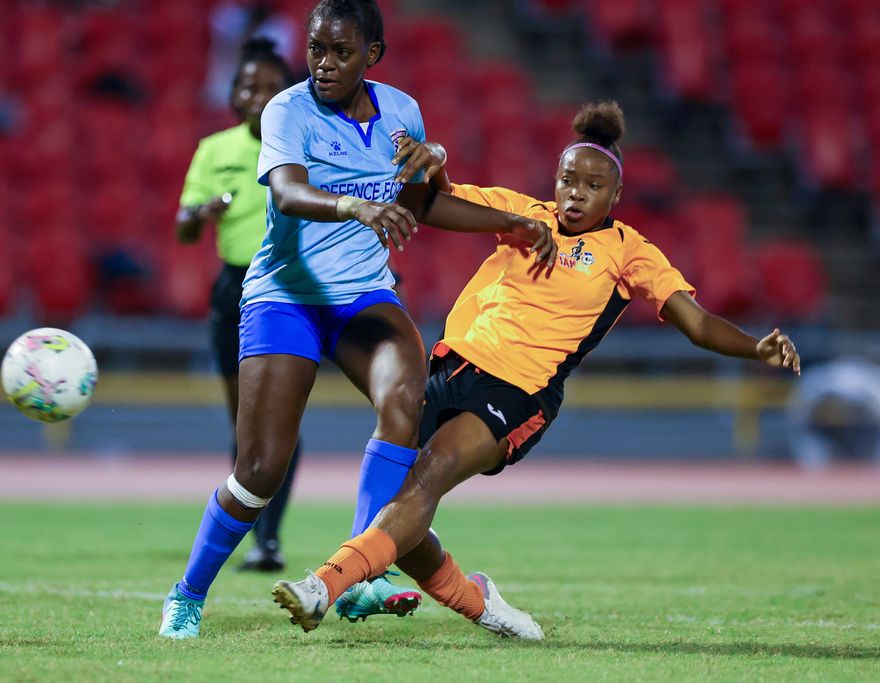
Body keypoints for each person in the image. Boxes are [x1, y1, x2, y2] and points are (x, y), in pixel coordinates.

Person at [271, 101, 802, 640]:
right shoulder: (523, 216)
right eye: (568, 180)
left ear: (615, 196)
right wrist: (434, 159)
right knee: (399, 510)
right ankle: (481, 604)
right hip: (452, 368)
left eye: (593, 186)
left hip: (520, 391)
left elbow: (697, 323)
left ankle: (324, 585)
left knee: (428, 475)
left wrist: (755, 348)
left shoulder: (628, 251)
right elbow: (436, 202)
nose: (576, 193)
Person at [158, 0, 557, 639]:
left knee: (406, 397)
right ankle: (186, 593)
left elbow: (424, 202)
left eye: (341, 52)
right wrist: (356, 207)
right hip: (283, 297)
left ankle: (358, 576)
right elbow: (286, 191)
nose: (324, 63)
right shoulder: (286, 109)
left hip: (361, 297)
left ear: (372, 56)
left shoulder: (402, 111)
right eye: (317, 48)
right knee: (260, 471)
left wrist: (509, 223)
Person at [176, 38, 299, 572]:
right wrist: (202, 210)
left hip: (293, 289)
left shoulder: (303, 145)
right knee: (246, 428)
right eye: (249, 85)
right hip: (235, 291)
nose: (258, 95)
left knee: (279, 424)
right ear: (234, 93)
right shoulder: (214, 150)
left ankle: (267, 541)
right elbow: (182, 231)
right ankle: (253, 537)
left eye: (271, 87)